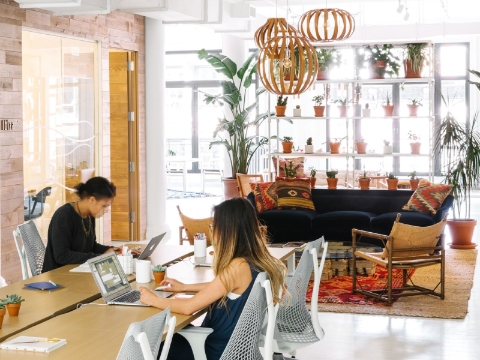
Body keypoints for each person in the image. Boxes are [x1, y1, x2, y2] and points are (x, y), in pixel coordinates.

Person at [139, 197, 286, 360]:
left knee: (148, 345)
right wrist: (184, 287)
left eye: (214, 225)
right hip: (233, 349)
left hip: (213, 351)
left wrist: (152, 299)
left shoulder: (237, 266)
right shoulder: (253, 262)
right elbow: (222, 287)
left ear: (226, 230)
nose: (212, 230)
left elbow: (188, 307)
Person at [42, 176, 135, 273]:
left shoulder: (90, 216)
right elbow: (62, 256)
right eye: (104, 206)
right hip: (58, 275)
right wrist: (101, 257)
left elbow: (91, 247)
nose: (106, 210)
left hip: (77, 271)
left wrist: (112, 250)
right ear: (92, 200)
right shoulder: (64, 215)